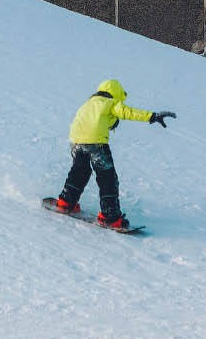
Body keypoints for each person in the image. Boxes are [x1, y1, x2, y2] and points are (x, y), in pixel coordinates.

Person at [50, 78, 173, 230]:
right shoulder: (110, 102)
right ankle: (110, 216)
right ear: (116, 94)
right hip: (96, 142)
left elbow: (86, 121)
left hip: (76, 140)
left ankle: (66, 201)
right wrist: (152, 116)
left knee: (80, 171)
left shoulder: (88, 103)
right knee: (107, 177)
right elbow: (128, 112)